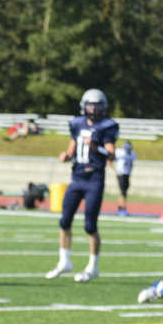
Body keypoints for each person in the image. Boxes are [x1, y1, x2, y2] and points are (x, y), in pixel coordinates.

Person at [45, 88, 119, 282]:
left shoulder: (107, 126)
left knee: (89, 225)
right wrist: (66, 156)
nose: (93, 109)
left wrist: (97, 147)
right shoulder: (76, 124)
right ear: (84, 106)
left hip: (94, 178)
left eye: (97, 106)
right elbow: (72, 147)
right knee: (64, 220)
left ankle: (93, 266)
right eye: (90, 105)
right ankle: (64, 261)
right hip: (77, 177)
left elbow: (111, 154)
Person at [114, 140, 137, 215]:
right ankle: (121, 208)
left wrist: (130, 172)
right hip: (121, 174)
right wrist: (115, 170)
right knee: (123, 192)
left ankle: (122, 208)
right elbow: (109, 159)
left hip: (127, 174)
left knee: (124, 192)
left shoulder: (132, 154)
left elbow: (132, 164)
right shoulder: (120, 153)